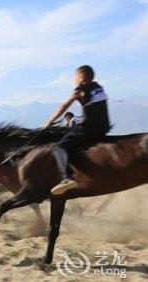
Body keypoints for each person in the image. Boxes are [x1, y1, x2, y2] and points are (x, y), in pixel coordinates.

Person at [44, 65, 111, 195]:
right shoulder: (99, 88)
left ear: (81, 77)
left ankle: (67, 178)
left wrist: (49, 122)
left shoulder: (81, 90)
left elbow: (63, 107)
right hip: (104, 128)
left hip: (89, 129)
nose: (74, 80)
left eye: (75, 77)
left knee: (59, 147)